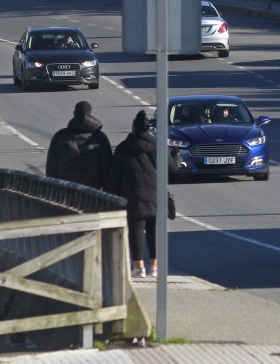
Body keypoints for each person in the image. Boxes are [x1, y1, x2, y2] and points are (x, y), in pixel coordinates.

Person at [108, 110, 181, 279]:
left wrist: (112, 197)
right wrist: (176, 156)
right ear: (148, 129)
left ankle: (139, 268)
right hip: (156, 195)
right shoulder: (158, 146)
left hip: (131, 196)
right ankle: (154, 267)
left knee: (135, 230)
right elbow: (172, 168)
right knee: (154, 229)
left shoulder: (123, 148)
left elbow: (114, 175)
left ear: (133, 128)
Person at [46, 100, 113, 190]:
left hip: (65, 190)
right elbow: (107, 169)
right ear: (90, 115)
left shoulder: (60, 136)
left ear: (74, 113)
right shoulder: (100, 138)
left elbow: (51, 166)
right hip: (92, 191)